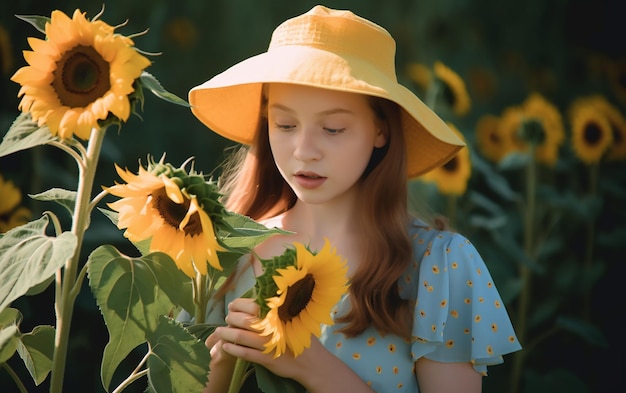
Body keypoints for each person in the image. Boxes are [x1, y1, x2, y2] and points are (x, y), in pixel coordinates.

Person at [187, 5, 522, 393]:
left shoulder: (438, 266)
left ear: (380, 130)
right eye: (285, 124)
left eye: (333, 128)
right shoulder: (224, 254)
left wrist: (315, 369)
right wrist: (223, 360)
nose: (304, 150)